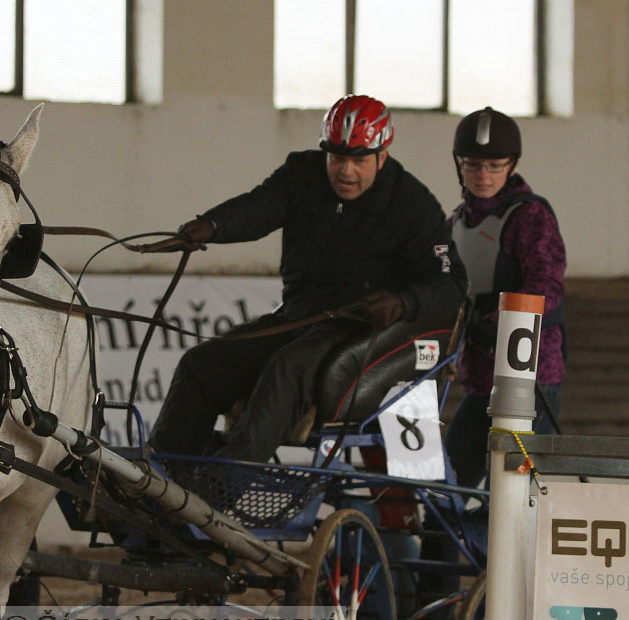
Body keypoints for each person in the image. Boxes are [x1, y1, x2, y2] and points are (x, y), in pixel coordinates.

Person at [147, 94, 468, 463]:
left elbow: (452, 283)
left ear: (383, 156)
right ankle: (163, 478)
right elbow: (260, 207)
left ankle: (225, 483)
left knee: (286, 368)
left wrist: (404, 302)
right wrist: (212, 225)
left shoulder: (413, 205)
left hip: (357, 330)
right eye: (336, 157)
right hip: (298, 318)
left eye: (358, 160)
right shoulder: (302, 174)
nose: (345, 170)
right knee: (201, 364)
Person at [444, 106, 567, 489]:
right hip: (480, 380)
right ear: (459, 165)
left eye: (495, 166)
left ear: (511, 165)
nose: (483, 176)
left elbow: (545, 287)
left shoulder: (530, 217)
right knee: (448, 481)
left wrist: (495, 328)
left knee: (517, 489)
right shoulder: (455, 224)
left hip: (529, 379)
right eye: (473, 166)